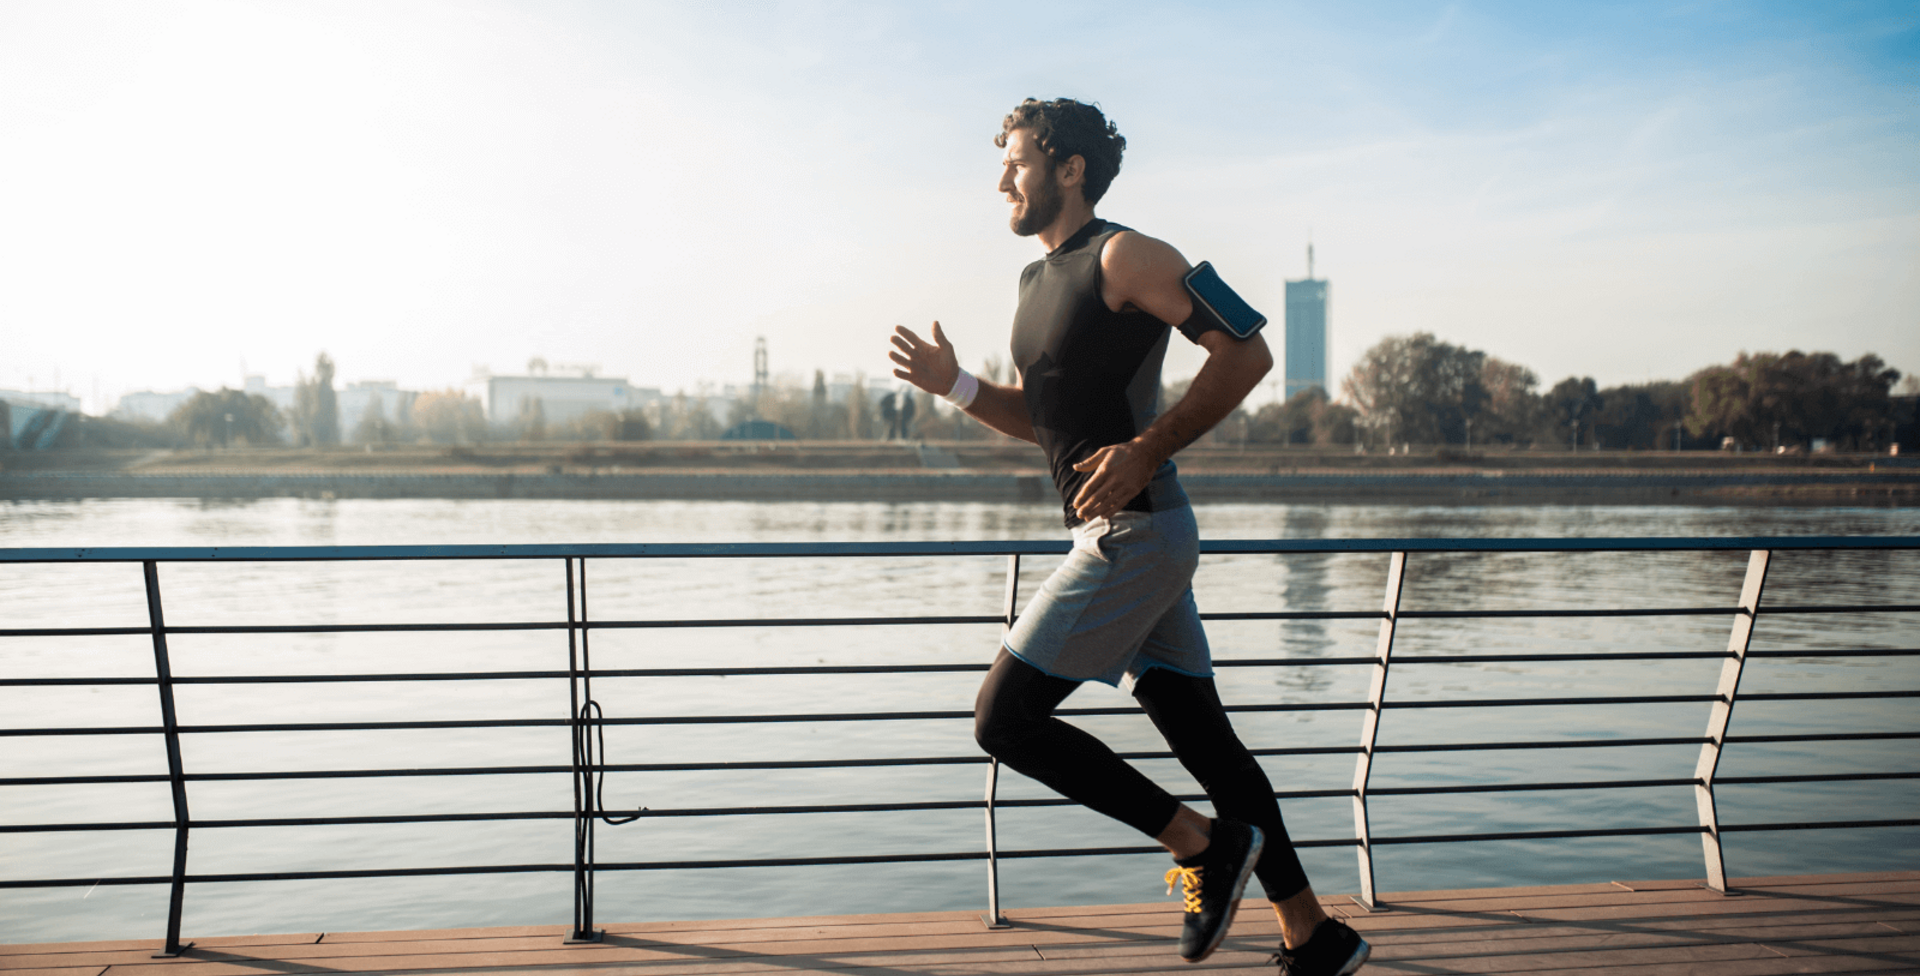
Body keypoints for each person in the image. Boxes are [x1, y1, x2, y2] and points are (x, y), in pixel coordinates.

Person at [889, 98, 1370, 975]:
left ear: (1070, 168)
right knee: (1204, 738)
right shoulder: (1037, 281)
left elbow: (1248, 350)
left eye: (1020, 161)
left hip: (1134, 535)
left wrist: (1148, 448)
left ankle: (1201, 846)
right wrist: (955, 383)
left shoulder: (1128, 254)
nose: (1003, 178)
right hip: (1138, 534)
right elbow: (1048, 421)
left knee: (1004, 718)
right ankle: (1314, 934)